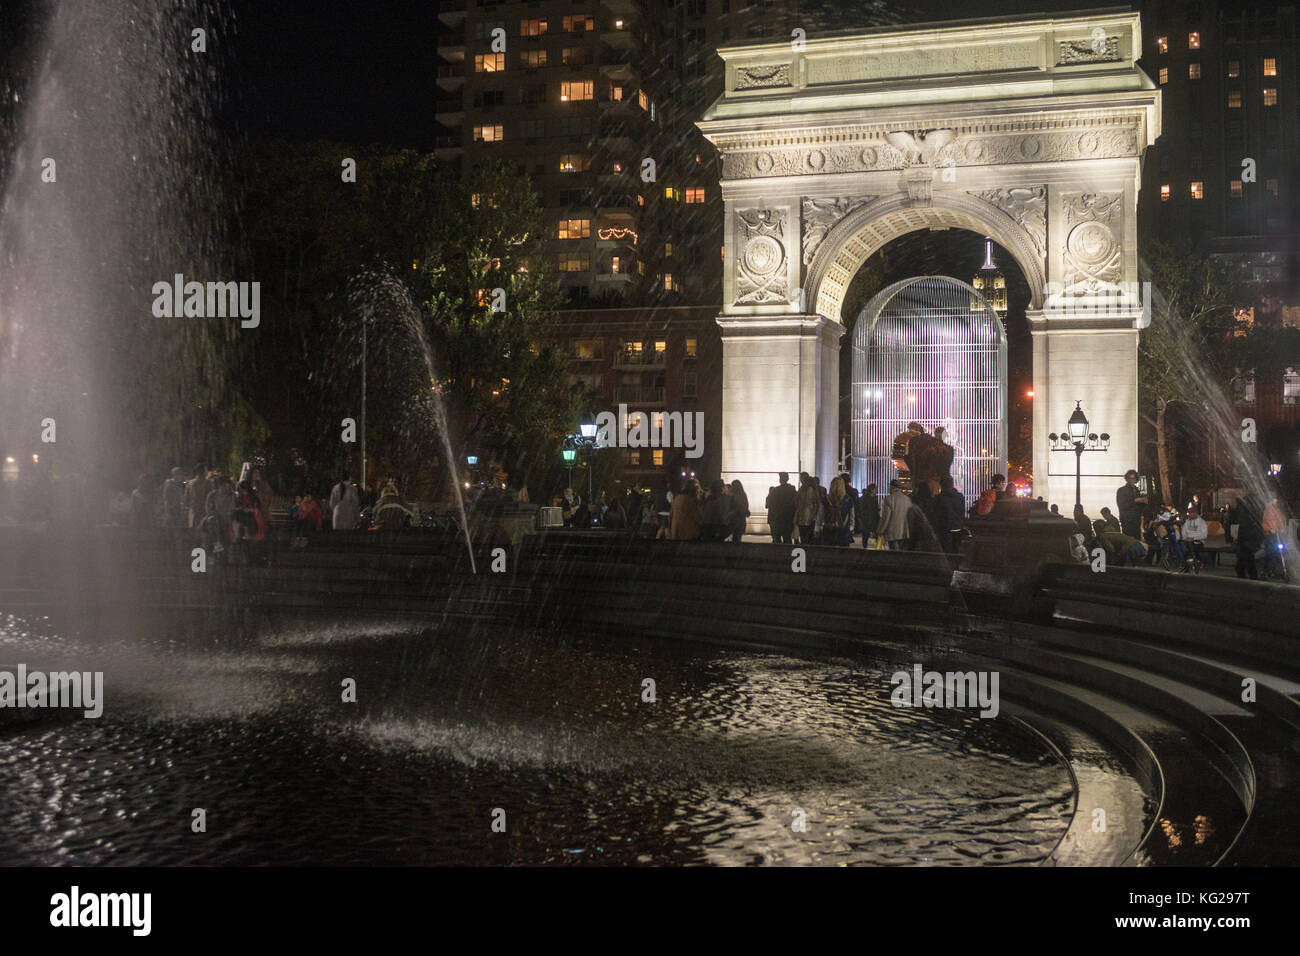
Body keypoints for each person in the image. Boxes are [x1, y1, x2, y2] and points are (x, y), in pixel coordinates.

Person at [1234, 494, 1265, 580]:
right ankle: (1249, 578)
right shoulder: (1251, 512)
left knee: (1246, 560)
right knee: (1244, 561)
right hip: (1247, 539)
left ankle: (1251, 578)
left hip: (1248, 540)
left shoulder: (1248, 513)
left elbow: (1247, 525)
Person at [877, 479, 912, 550]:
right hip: (904, 532)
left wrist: (880, 531)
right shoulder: (907, 499)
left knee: (895, 554)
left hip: (893, 533)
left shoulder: (889, 499)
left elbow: (886, 518)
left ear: (892, 487)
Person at [766, 472, 797, 545]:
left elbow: (771, 504)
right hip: (788, 518)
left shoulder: (776, 490)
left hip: (778, 518)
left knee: (777, 539)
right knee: (787, 538)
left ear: (780, 479)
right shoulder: (792, 490)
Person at [937, 475, 965, 554]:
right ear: (952, 484)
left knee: (946, 551)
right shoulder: (960, 497)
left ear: (941, 485)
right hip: (958, 527)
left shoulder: (939, 498)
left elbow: (937, 514)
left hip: (945, 529)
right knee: (956, 549)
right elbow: (962, 512)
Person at [1116, 470, 1147, 539]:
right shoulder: (1121, 490)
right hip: (1127, 521)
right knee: (1129, 542)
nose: (1131, 481)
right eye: (1130, 478)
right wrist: (1135, 500)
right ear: (1126, 479)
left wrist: (1143, 502)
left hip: (1137, 520)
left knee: (1137, 541)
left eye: (1133, 478)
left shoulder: (1137, 490)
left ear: (1136, 479)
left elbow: (1140, 508)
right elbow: (1121, 505)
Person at [185, 464, 212, 530]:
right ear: (203, 472)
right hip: (204, 511)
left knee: (193, 532)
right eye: (206, 470)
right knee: (204, 531)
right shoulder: (208, 483)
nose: (207, 472)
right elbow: (210, 497)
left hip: (193, 511)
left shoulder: (190, 483)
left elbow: (186, 498)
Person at [795, 472, 818, 545]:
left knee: (804, 537)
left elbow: (806, 504)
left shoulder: (807, 490)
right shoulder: (812, 490)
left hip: (805, 518)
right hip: (808, 517)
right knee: (807, 537)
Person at [857, 483, 880, 547]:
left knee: (870, 535)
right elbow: (862, 510)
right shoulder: (865, 498)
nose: (877, 490)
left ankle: (875, 547)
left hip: (872, 519)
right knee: (866, 536)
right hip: (867, 520)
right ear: (872, 490)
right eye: (875, 489)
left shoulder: (874, 498)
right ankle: (866, 549)